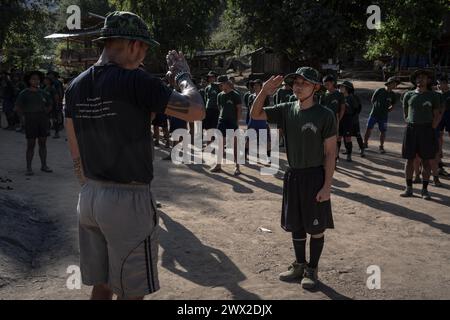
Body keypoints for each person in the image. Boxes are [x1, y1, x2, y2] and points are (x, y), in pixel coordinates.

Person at [64, 11, 205, 300]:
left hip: (89, 196)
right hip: (127, 201)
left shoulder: (75, 86)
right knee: (133, 290)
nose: (144, 54)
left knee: (101, 284)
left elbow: (74, 145)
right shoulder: (136, 80)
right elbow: (196, 110)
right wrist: (183, 76)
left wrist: (90, 186)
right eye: (144, 47)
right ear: (131, 43)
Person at [251, 67, 337, 289]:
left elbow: (330, 153)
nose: (298, 87)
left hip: (315, 176)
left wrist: (327, 186)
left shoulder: (325, 115)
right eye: (295, 83)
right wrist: (264, 92)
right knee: (297, 224)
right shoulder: (286, 109)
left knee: (316, 227)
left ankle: (312, 268)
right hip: (293, 175)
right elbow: (255, 114)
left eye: (304, 83)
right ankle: (299, 264)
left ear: (316, 87)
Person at [400, 69, 441, 200]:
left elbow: (437, 114)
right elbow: (405, 112)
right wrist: (409, 122)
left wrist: (432, 127)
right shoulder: (408, 95)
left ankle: (424, 190)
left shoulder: (433, 96)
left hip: (427, 130)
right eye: (418, 78)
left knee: (426, 161)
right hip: (411, 130)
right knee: (409, 159)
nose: (420, 80)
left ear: (428, 80)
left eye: (423, 78)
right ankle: (409, 188)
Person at [15, 71, 53, 176]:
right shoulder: (24, 93)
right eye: (33, 79)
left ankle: (44, 165)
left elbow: (50, 104)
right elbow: (18, 107)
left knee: (43, 143)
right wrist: (22, 119)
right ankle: (29, 168)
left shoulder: (43, 92)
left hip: (42, 120)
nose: (35, 81)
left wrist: (46, 111)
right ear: (29, 80)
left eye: (37, 79)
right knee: (31, 144)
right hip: (30, 119)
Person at [210, 75, 242, 175]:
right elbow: (220, 108)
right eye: (218, 84)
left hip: (232, 122)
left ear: (226, 83)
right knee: (220, 144)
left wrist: (237, 122)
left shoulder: (235, 95)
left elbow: (239, 109)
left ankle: (237, 166)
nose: (219, 85)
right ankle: (218, 165)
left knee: (234, 145)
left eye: (221, 84)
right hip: (222, 121)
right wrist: (222, 117)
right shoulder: (220, 95)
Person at [364, 77, 400, 154]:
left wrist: (388, 110)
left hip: (384, 117)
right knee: (368, 128)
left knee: (383, 131)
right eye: (394, 83)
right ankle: (365, 143)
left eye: (396, 84)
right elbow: (372, 100)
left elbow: (393, 105)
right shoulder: (379, 90)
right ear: (389, 83)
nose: (395, 85)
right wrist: (377, 108)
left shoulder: (393, 95)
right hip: (374, 114)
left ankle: (381, 147)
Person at [319, 75, 345, 161]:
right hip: (324, 121)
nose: (326, 86)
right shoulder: (323, 95)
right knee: (324, 140)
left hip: (335, 120)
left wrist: (338, 120)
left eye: (327, 84)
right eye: (324, 84)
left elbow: (342, 108)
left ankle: (335, 158)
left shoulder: (339, 94)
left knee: (334, 140)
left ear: (333, 83)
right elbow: (320, 109)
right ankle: (325, 157)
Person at [337, 81, 356, 162]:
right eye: (340, 87)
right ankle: (336, 155)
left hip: (348, 119)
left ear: (347, 89)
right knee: (338, 137)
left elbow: (356, 109)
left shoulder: (351, 98)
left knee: (348, 138)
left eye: (342, 87)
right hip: (339, 119)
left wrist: (352, 118)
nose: (340, 88)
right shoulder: (338, 97)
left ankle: (349, 154)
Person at [437, 76, 450, 178]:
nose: (438, 85)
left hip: (449, 116)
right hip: (440, 116)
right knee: (438, 136)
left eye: (440, 83)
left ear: (445, 84)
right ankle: (439, 159)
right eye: (438, 84)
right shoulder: (438, 95)